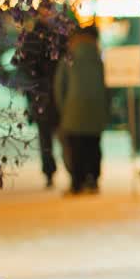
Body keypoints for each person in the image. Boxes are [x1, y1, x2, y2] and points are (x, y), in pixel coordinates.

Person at [15, 3, 67, 187]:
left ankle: (53, 170)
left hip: (46, 93)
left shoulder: (55, 36)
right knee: (51, 135)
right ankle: (52, 170)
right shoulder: (47, 37)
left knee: (50, 135)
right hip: (46, 93)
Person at [53, 25, 108, 195]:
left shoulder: (69, 58)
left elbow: (59, 86)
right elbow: (108, 87)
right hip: (95, 109)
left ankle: (77, 183)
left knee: (75, 148)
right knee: (93, 145)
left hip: (73, 109)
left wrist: (64, 108)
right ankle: (93, 180)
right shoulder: (99, 59)